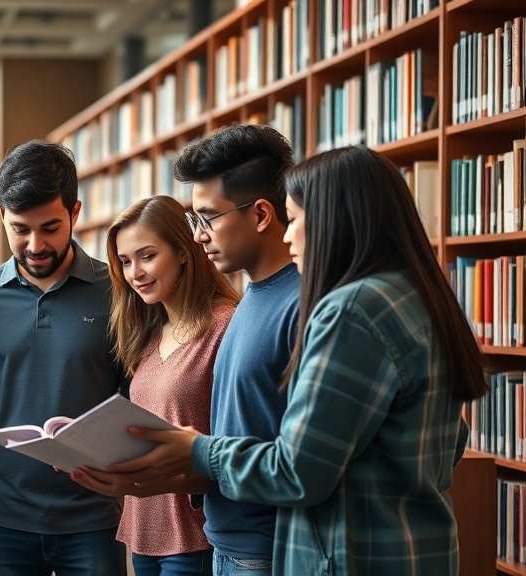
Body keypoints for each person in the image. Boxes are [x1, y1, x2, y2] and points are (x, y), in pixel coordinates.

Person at [106, 145, 488, 575]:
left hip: (351, 555)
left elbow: (300, 468)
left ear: (333, 219)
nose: (289, 235)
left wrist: (198, 451)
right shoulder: (413, 298)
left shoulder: (350, 310)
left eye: (297, 217)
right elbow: (448, 440)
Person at [0, 139, 130, 576]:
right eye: (19, 228)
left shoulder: (119, 291)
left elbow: (133, 395)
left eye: (49, 227)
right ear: (1, 216)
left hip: (93, 518)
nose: (34, 244)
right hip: (1, 516)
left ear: (75, 212)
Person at [69, 195, 237, 576]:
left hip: (195, 536)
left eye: (147, 256)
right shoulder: (146, 333)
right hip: (142, 533)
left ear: (183, 251)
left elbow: (230, 443)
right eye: (125, 262)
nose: (134, 273)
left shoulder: (225, 326)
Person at [170, 124, 299, 576]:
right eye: (194, 221)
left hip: (268, 550)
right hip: (225, 539)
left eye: (208, 218)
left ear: (261, 214)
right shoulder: (248, 297)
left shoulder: (304, 305)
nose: (198, 235)